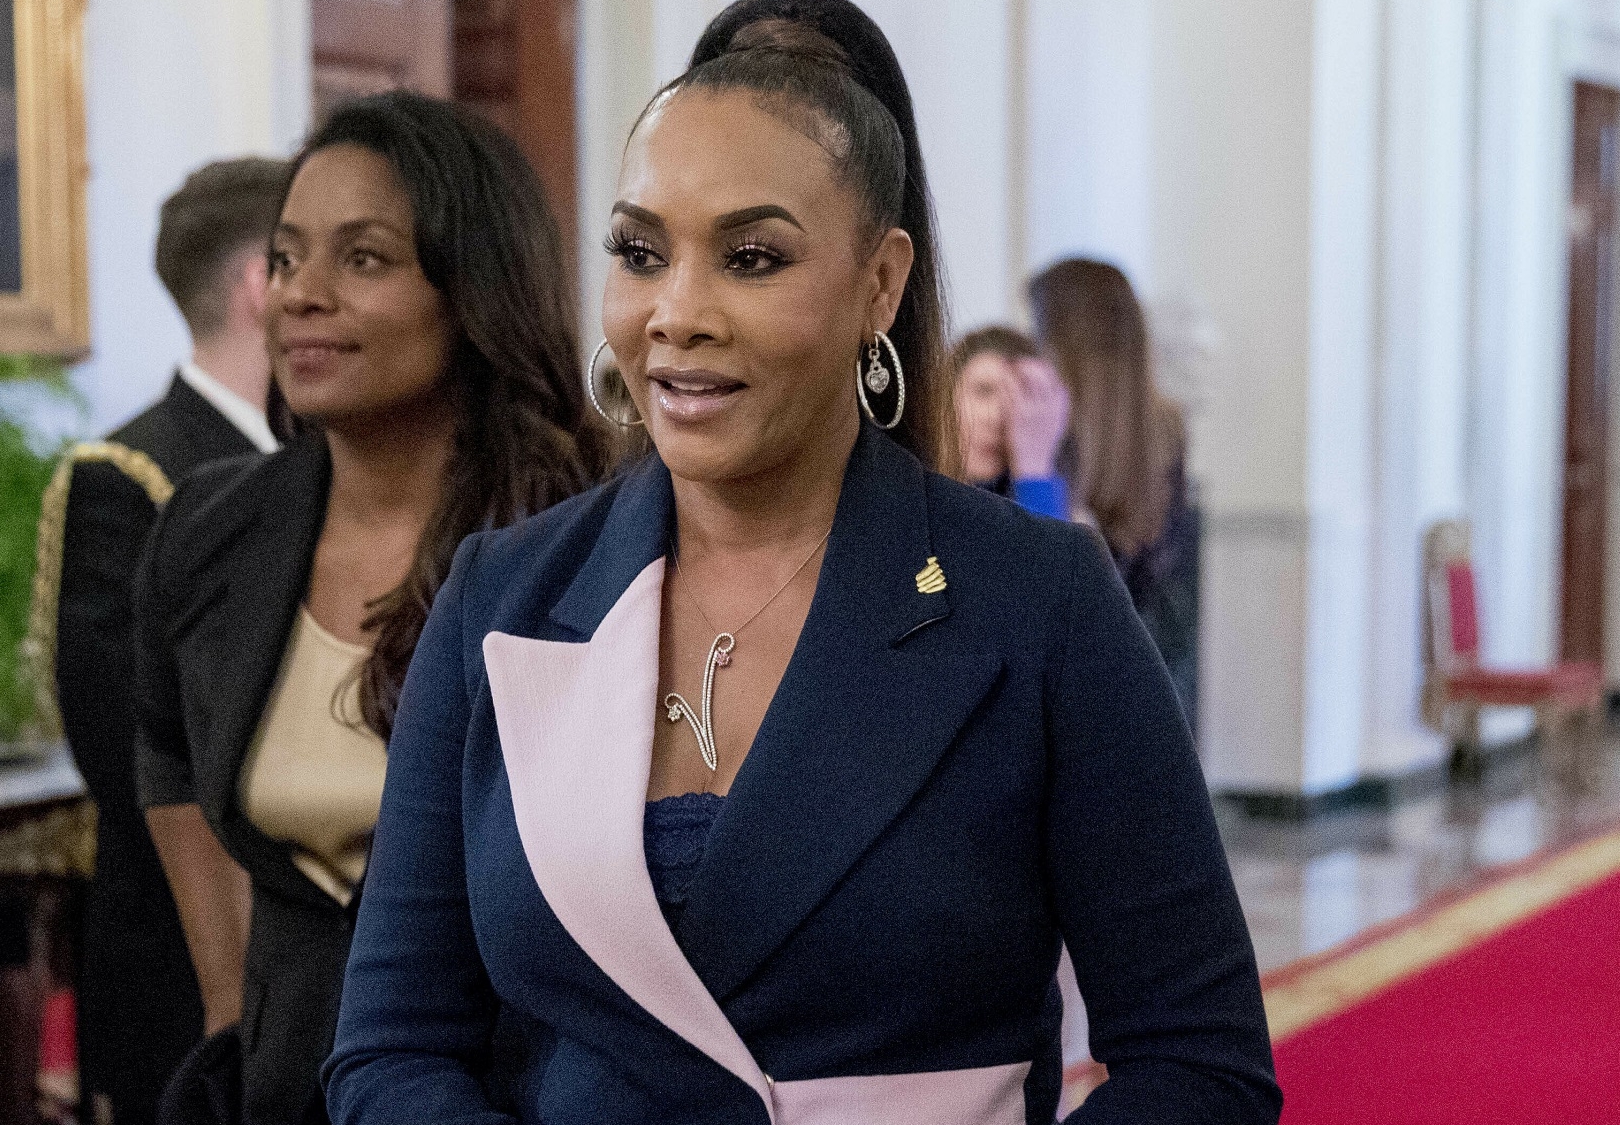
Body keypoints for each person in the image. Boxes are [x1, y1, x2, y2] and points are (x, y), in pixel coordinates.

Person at [323, 3, 1279, 1124]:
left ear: (878, 284)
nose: (675, 314)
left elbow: (1198, 1067)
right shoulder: (503, 597)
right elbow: (389, 1049)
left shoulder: (1038, 603)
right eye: (640, 253)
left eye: (750, 258)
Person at [133, 91, 611, 1125]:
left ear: (472, 288)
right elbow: (165, 746)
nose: (301, 295)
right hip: (282, 1083)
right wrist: (231, 1008)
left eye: (362, 259)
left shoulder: (587, 538)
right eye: (289, 257)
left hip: (518, 1087)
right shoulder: (211, 530)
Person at [35, 156, 288, 1125]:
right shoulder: (134, 473)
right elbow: (123, 750)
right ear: (260, 283)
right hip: (184, 950)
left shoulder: (324, 461)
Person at [1027, 257, 1200, 725]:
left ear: (1060, 342)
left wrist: (1032, 468)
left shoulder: (1044, 437)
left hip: (1079, 707)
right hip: (1149, 706)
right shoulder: (1167, 437)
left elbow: (1037, 597)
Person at [950, 324, 1073, 520]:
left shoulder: (1073, 514)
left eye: (1015, 403)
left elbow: (1047, 550)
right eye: (983, 391)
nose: (996, 418)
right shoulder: (908, 492)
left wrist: (1034, 470)